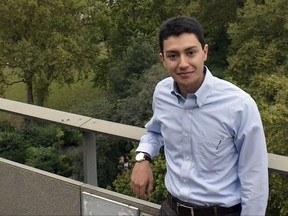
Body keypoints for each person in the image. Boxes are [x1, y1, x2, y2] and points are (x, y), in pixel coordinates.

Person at [130, 16, 268, 216]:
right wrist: (143, 158)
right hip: (171, 209)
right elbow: (155, 132)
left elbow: (255, 179)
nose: (183, 63)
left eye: (190, 52)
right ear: (163, 59)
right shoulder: (162, 93)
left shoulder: (239, 105)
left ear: (205, 52)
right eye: (173, 55)